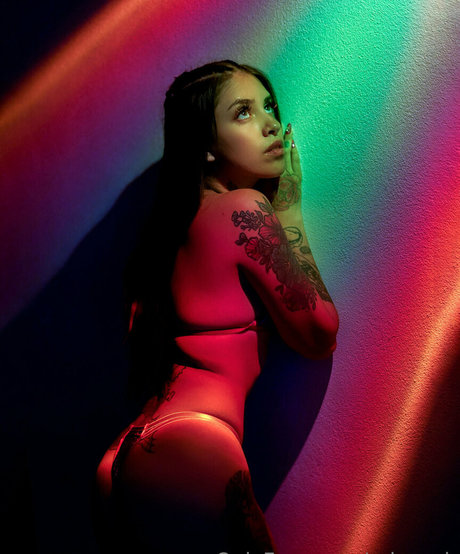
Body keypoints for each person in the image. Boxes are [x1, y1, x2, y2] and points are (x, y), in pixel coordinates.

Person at [94, 60, 339, 554]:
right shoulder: (242, 209)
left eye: (269, 107)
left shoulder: (173, 230)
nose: (270, 124)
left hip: (125, 456)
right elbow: (319, 331)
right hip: (195, 446)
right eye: (243, 113)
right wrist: (290, 213)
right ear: (205, 146)